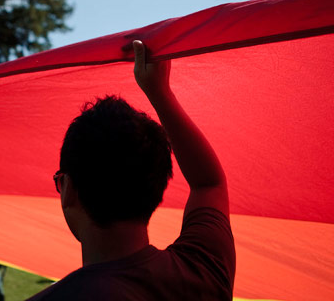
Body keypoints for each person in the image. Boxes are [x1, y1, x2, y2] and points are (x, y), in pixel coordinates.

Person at [27, 40, 235, 300]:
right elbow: (209, 183)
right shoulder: (204, 271)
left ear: (68, 188)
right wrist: (161, 92)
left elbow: (208, 183)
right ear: (157, 183)